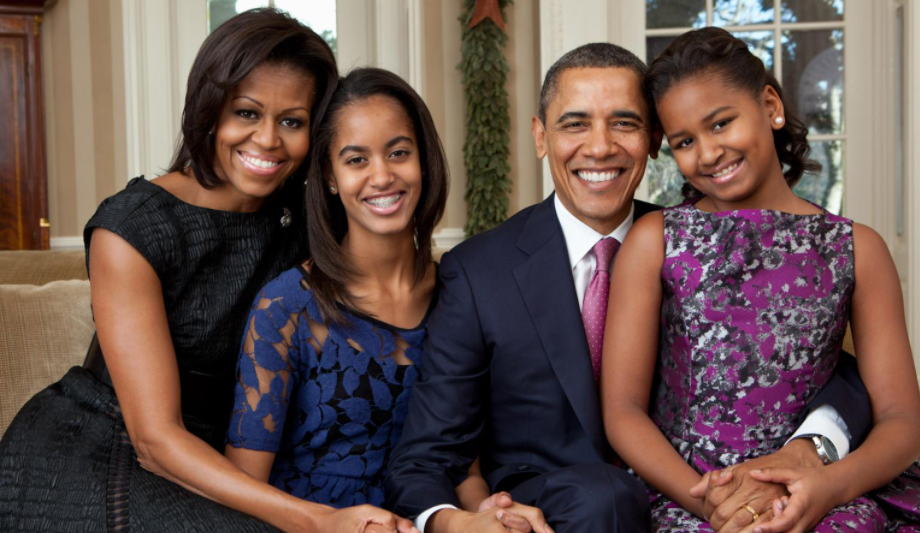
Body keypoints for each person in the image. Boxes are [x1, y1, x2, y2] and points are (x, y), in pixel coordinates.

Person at [386, 42, 872, 533]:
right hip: (563, 511)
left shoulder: (695, 242)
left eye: (624, 123)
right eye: (575, 124)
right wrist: (456, 521)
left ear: (653, 138)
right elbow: (426, 456)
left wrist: (815, 441)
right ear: (540, 136)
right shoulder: (478, 272)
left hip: (703, 492)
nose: (599, 147)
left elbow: (814, 356)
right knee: (604, 498)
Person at [0, 9, 408, 533]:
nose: (267, 140)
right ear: (209, 111)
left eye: (292, 121)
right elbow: (154, 439)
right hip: (101, 451)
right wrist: (316, 519)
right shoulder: (132, 227)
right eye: (246, 113)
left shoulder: (305, 225)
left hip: (231, 457)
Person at [603, 27, 920, 532]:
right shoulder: (656, 240)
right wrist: (710, 503)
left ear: (770, 105)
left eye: (721, 123)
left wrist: (827, 487)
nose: (707, 153)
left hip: (821, 491)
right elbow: (622, 411)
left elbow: (902, 421)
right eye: (685, 141)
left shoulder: (859, 248)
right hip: (689, 492)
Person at [222, 67, 447, 533]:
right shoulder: (285, 307)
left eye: (398, 153)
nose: (382, 176)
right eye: (356, 160)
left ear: (423, 160)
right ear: (328, 175)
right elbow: (244, 490)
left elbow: (467, 462)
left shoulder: (461, 294)